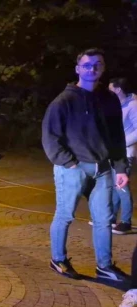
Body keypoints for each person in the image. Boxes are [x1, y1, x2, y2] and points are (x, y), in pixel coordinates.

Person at [42, 48, 129, 281]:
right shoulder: (64, 101)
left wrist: (121, 167)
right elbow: (50, 138)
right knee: (65, 215)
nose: (92, 69)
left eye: (97, 64)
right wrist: (70, 164)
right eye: (87, 65)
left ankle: (104, 266)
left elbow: (117, 135)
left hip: (103, 169)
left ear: (103, 68)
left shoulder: (109, 99)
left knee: (104, 219)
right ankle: (58, 259)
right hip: (73, 168)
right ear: (78, 69)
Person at [107, 77, 137, 234]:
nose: (109, 91)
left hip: (126, 153)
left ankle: (126, 222)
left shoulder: (133, 105)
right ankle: (111, 218)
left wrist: (122, 143)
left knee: (122, 187)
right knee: (116, 186)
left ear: (118, 89)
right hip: (117, 152)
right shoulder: (120, 105)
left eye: (111, 88)